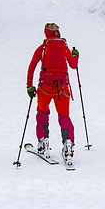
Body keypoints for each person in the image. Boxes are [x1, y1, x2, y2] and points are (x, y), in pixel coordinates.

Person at [26, 23, 79, 163]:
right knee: (64, 116)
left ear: (45, 33)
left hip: (45, 88)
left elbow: (31, 67)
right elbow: (73, 65)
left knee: (42, 113)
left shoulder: (42, 48)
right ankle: (68, 144)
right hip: (62, 88)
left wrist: (29, 86)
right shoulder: (64, 46)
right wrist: (75, 55)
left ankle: (43, 142)